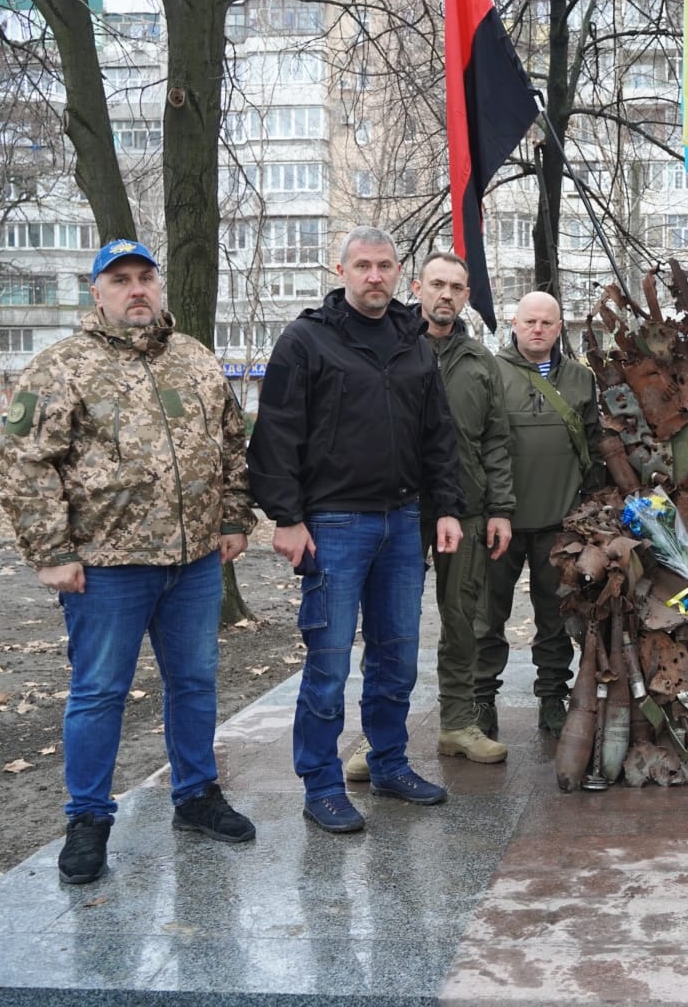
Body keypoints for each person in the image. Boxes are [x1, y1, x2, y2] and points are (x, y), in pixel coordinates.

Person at [0, 238, 257, 885]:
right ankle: (88, 819)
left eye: (145, 278)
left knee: (195, 682)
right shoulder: (63, 368)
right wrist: (52, 554)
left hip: (194, 562)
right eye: (120, 281)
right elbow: (23, 465)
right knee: (99, 693)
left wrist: (232, 518)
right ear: (97, 292)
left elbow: (230, 442)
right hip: (108, 568)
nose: (136, 289)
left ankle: (196, 795)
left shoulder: (194, 359)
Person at [247, 225, 465, 834]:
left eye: (385, 265)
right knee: (329, 662)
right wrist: (285, 518)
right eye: (363, 265)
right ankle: (320, 782)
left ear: (401, 274)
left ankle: (388, 762)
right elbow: (276, 435)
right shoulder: (307, 340)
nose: (375, 276)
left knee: (396, 658)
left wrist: (446, 508)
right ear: (341, 271)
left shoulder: (413, 341)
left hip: (402, 524)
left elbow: (437, 437)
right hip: (333, 525)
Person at [343, 252, 514, 780]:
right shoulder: (388, 347)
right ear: (417, 286)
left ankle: (458, 723)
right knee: (390, 626)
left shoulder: (481, 362)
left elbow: (496, 441)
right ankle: (377, 738)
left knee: (463, 618)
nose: (446, 294)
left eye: (456, 287)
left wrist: (500, 509)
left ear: (466, 296)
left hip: (463, 509)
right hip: (395, 508)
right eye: (436, 284)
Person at [474, 291, 603, 739]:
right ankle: (480, 701)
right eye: (530, 321)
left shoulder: (580, 380)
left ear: (558, 327)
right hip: (499, 523)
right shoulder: (489, 372)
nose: (537, 329)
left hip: (558, 523)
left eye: (547, 323)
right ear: (513, 322)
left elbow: (594, 447)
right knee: (487, 616)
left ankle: (552, 697)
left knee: (554, 615)